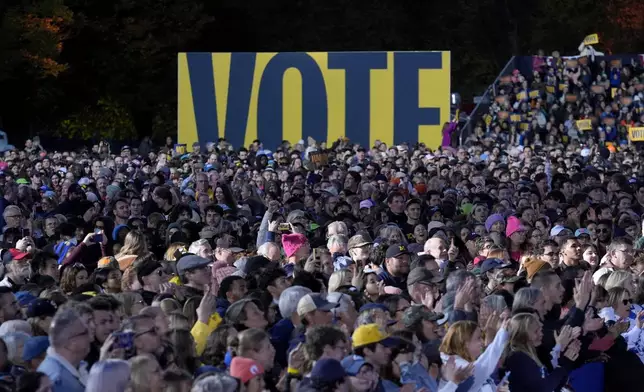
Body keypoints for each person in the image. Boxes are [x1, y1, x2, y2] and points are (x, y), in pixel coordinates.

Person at [38, 308, 91, 392]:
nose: (90, 337)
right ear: (71, 343)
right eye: (85, 332)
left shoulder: (77, 365)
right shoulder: (55, 380)